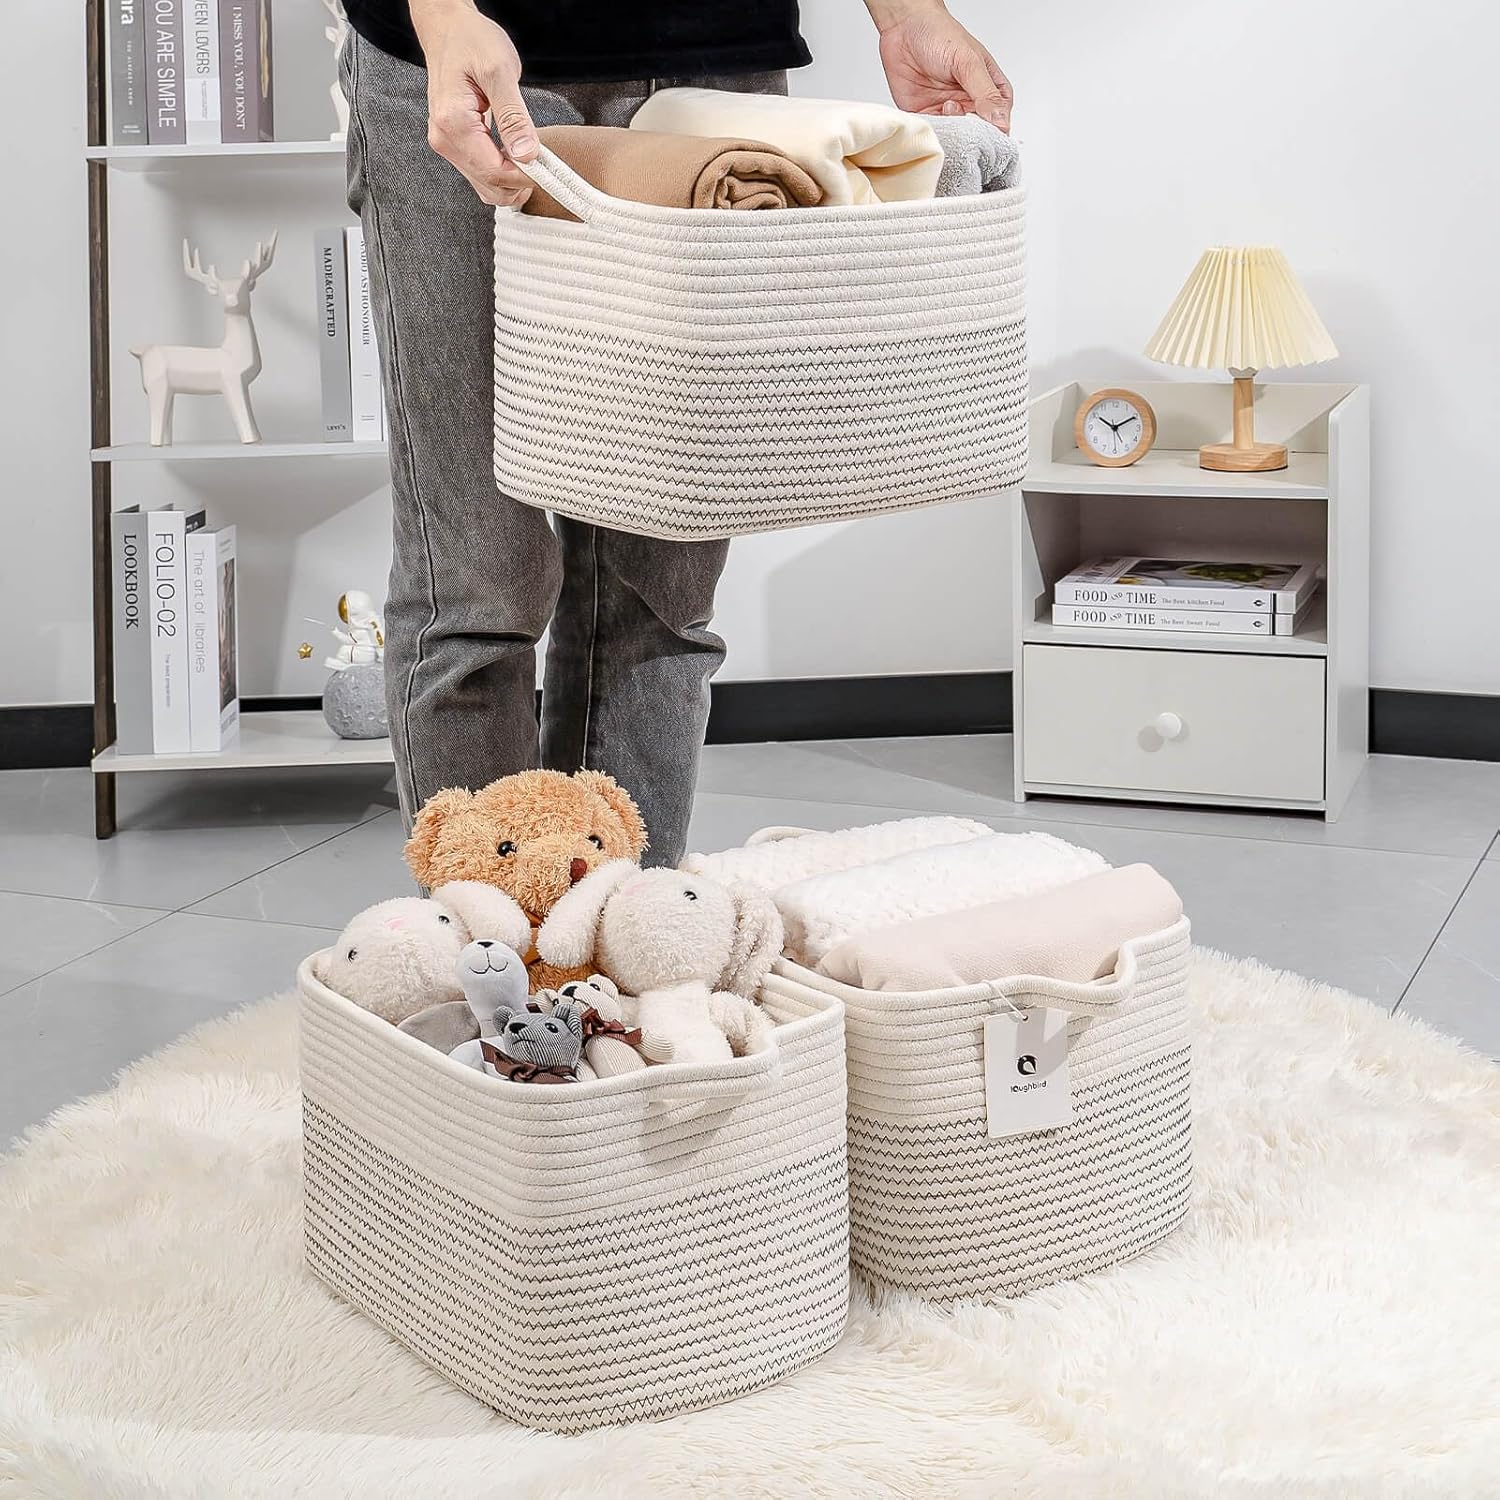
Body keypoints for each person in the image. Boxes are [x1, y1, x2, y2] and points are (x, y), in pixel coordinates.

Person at [338, 0, 1012, 866]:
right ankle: (492, 937)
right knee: (476, 592)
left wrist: (908, 12)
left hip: (712, 64)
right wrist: (440, 18)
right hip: (471, 55)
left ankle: (633, 924)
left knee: (663, 599)